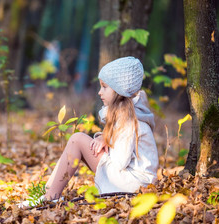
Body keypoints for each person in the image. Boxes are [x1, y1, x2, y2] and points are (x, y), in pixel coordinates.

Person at [20, 56, 159, 207]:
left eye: (105, 87)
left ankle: (50, 196)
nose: (100, 92)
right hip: (135, 182)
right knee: (77, 141)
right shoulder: (127, 116)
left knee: (77, 139)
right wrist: (105, 138)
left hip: (134, 184)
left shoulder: (129, 121)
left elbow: (120, 161)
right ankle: (49, 192)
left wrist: (106, 140)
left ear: (120, 90)